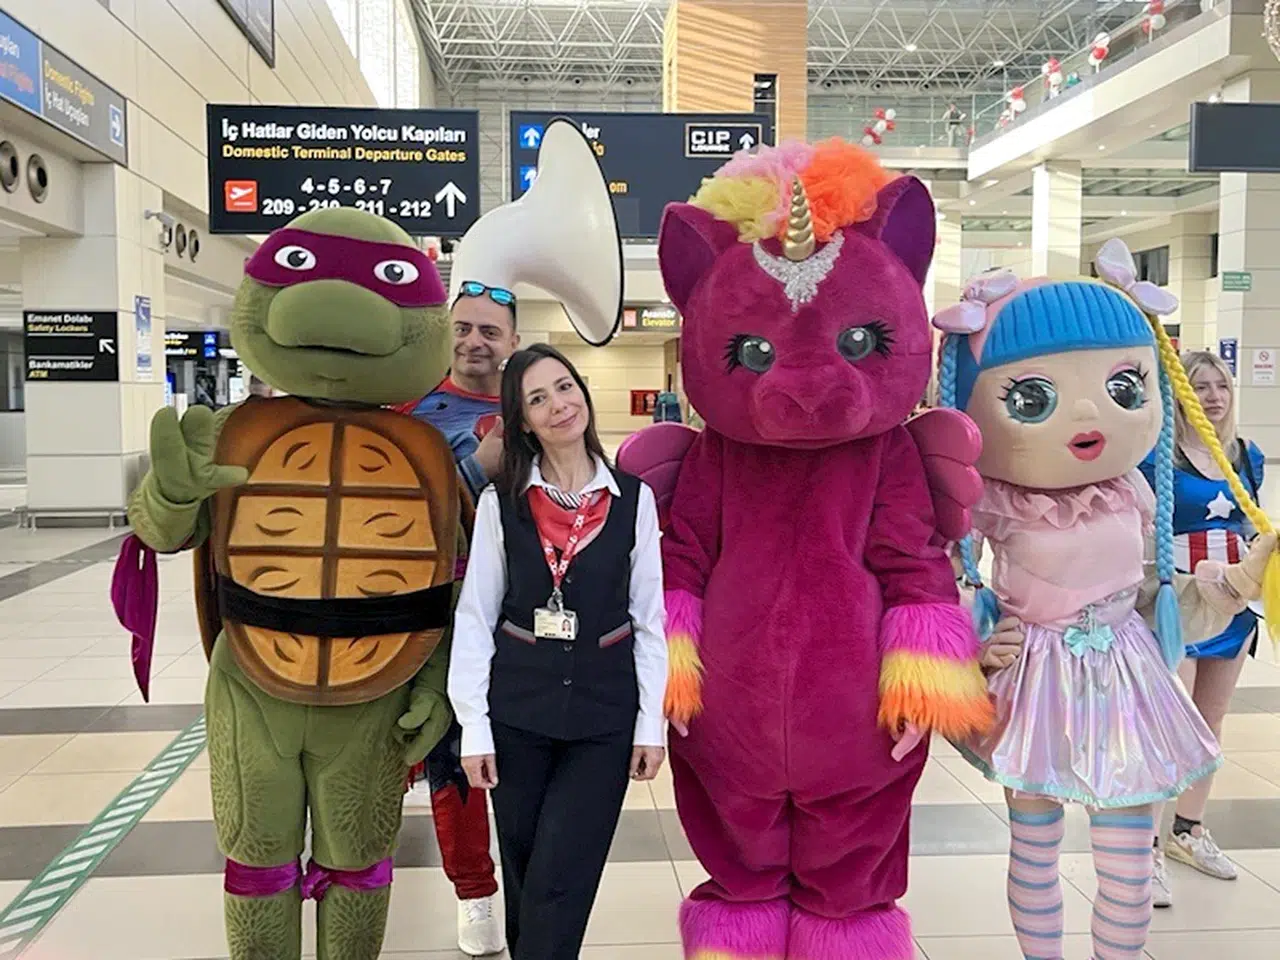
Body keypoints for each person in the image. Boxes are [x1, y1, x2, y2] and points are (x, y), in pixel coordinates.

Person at [619, 140, 991, 960]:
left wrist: (923, 685)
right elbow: (683, 557)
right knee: (738, 864)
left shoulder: (887, 452)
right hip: (728, 717)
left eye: (857, 344)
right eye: (754, 355)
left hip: (857, 715)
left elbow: (913, 564)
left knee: (849, 877)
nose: (808, 385)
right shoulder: (718, 455)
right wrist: (668, 678)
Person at [934, 239, 1276, 960]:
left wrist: (1241, 580)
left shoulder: (1132, 492)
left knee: (1126, 862)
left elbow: (1155, 591)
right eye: (1032, 398)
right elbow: (942, 579)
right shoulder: (993, 500)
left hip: (1127, 674)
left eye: (1123, 387)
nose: (1089, 414)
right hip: (1033, 678)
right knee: (1035, 850)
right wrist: (973, 642)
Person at [448, 343, 668, 960]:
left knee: (562, 878)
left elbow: (650, 620)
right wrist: (474, 729)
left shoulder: (633, 500)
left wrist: (650, 725)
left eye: (565, 387)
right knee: (524, 877)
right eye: (538, 399)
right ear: (522, 421)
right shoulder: (501, 504)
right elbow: (476, 617)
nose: (559, 405)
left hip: (603, 718)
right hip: (517, 714)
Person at [397, 283, 519, 956]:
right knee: (441, 757)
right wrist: (476, 470)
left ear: (513, 342)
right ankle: (473, 894)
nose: (475, 341)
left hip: (519, 621)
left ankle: (518, 887)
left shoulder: (536, 407)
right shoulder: (407, 411)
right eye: (464, 328)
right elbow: (392, 514)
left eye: (490, 331)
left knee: (514, 761)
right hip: (427, 620)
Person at [1140, 350, 1266, 904]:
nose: (1213, 396)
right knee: (1173, 724)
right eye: (1200, 386)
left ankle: (1188, 831)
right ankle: (1144, 846)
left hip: (1231, 606)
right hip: (1177, 604)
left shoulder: (1246, 455)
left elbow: (1251, 525)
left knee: (1211, 721)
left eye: (1221, 386)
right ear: (1178, 392)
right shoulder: (1154, 454)